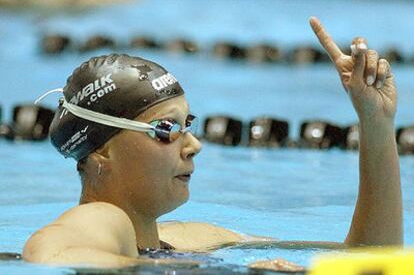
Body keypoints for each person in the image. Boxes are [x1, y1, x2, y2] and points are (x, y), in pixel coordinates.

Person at [22, 17, 402, 269]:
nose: (193, 144)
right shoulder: (102, 219)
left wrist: (376, 123)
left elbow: (369, 258)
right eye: (166, 128)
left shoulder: (188, 238)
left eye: (187, 124)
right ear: (102, 150)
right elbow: (47, 255)